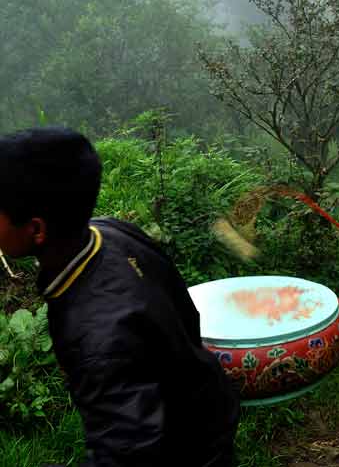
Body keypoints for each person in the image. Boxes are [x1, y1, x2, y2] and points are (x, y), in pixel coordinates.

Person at [0, 128, 240, 467]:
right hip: (204, 402)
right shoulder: (110, 232)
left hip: (186, 451)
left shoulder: (96, 339)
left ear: (37, 230)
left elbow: (129, 451)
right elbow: (184, 313)